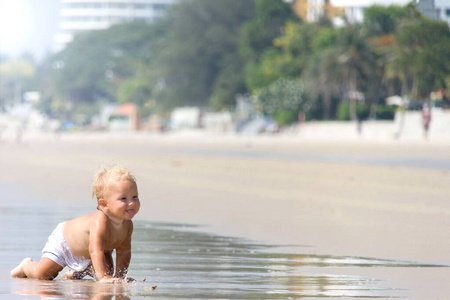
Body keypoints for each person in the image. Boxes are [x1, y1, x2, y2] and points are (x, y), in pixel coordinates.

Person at [11, 165, 140, 283]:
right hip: (66, 242)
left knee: (109, 271)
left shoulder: (127, 225)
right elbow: (95, 250)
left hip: (91, 250)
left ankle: (79, 272)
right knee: (44, 274)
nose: (132, 203)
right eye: (123, 198)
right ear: (104, 204)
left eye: (135, 196)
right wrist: (103, 277)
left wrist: (120, 277)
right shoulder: (100, 222)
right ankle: (26, 266)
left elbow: (124, 251)